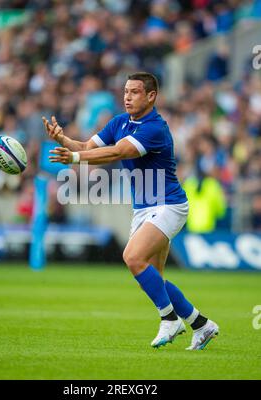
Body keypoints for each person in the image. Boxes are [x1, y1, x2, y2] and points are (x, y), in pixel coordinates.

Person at [43, 72, 219, 350]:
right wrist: (64, 140)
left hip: (168, 205)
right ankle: (201, 324)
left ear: (151, 96)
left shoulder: (155, 128)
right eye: (126, 91)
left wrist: (76, 158)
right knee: (153, 278)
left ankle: (169, 320)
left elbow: (116, 153)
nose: (127, 96)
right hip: (143, 209)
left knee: (132, 257)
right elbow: (88, 147)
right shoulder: (119, 122)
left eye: (135, 92)